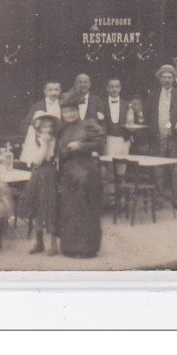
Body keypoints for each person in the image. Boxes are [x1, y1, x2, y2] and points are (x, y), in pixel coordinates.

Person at [56, 100, 105, 258]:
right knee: (70, 208)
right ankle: (70, 247)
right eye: (66, 112)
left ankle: (87, 248)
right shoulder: (62, 129)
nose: (69, 115)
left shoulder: (88, 124)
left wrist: (80, 146)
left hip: (87, 170)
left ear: (77, 111)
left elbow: (100, 142)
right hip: (69, 171)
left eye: (72, 111)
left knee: (86, 208)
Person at [144, 64, 177, 210]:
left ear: (173, 78)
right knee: (158, 170)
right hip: (159, 138)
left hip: (175, 138)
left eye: (169, 77)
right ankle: (158, 200)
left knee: (176, 170)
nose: (167, 80)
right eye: (164, 77)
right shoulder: (153, 95)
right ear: (160, 79)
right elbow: (147, 116)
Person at [17, 111, 60, 255]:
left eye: (49, 127)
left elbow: (52, 157)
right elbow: (38, 160)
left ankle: (53, 242)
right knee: (38, 207)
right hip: (38, 174)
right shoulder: (37, 141)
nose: (47, 130)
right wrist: (44, 145)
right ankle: (39, 241)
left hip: (51, 174)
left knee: (51, 207)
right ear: (39, 128)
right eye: (44, 127)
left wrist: (49, 145)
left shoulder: (55, 140)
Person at [19, 80, 62, 165]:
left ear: (60, 91)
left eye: (56, 90)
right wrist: (37, 137)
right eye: (50, 90)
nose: (54, 93)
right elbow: (24, 125)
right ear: (44, 92)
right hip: (40, 144)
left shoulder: (63, 105)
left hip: (58, 144)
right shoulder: (37, 106)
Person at [102, 77, 132, 159]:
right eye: (112, 87)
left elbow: (131, 122)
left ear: (120, 88)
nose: (114, 89)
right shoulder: (102, 104)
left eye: (117, 87)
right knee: (109, 166)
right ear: (107, 88)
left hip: (123, 140)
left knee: (122, 167)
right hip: (108, 140)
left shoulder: (127, 104)